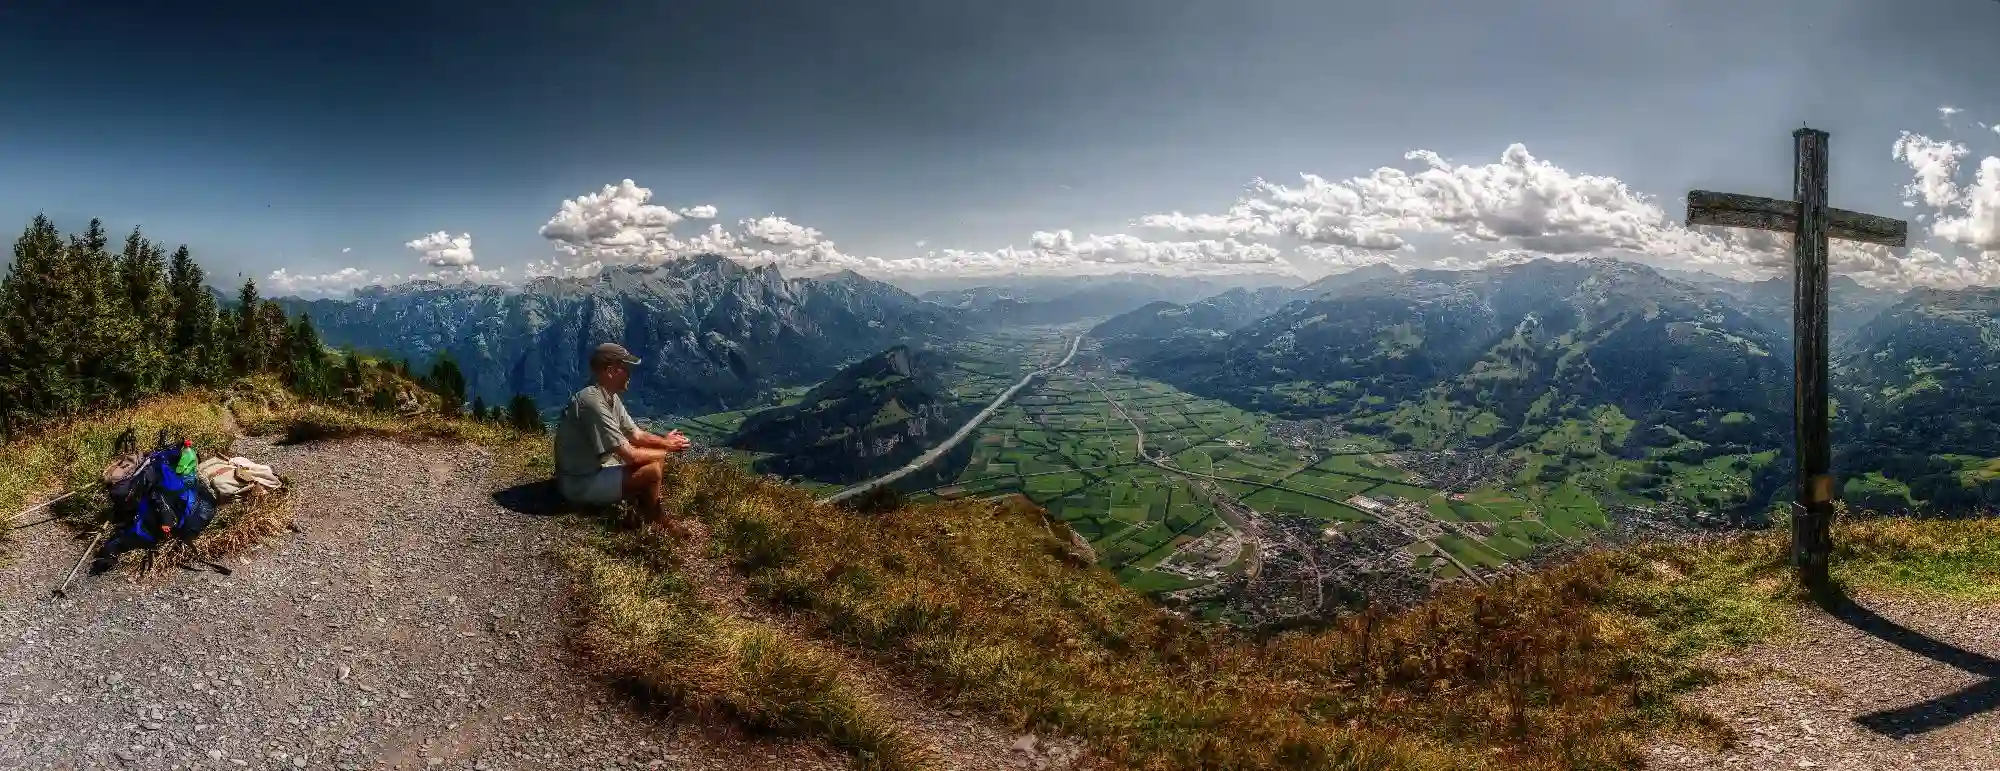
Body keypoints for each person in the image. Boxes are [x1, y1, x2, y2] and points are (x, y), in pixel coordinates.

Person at [554, 342, 692, 525]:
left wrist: (665, 442)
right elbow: (632, 456)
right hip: (580, 484)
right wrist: (668, 449)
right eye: (626, 368)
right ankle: (657, 523)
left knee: (651, 459)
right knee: (651, 470)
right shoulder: (592, 403)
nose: (629, 374)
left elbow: (637, 435)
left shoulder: (608, 396)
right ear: (610, 370)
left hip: (592, 470)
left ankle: (642, 507)